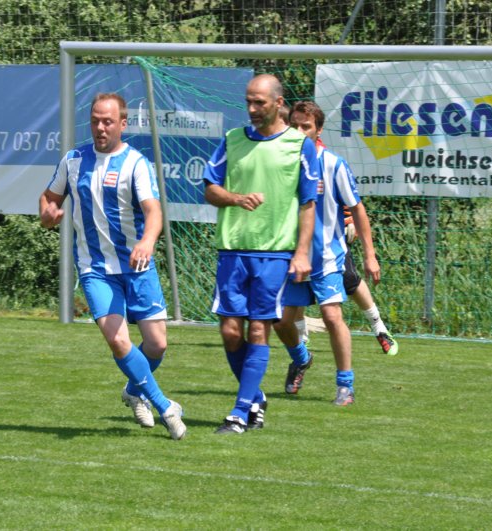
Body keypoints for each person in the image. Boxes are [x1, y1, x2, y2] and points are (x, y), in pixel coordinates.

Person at [38, 92, 186, 440]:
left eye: (107, 122)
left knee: (157, 345)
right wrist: (47, 214)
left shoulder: (136, 163)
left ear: (123, 123)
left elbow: (153, 211)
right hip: (96, 269)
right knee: (118, 341)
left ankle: (134, 391)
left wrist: (147, 241)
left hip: (137, 265)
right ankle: (166, 408)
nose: (100, 128)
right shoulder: (74, 160)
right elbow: (49, 199)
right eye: (95, 121)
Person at [203, 74, 320, 434]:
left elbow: (308, 204)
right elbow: (209, 188)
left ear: (278, 102)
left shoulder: (299, 146)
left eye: (260, 102)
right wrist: (236, 198)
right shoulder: (232, 139)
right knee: (230, 332)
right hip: (232, 251)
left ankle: (240, 413)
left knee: (258, 329)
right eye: (249, 102)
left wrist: (302, 253)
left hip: (274, 254)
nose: (252, 109)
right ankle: (255, 397)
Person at [272, 100, 381, 406]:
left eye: (306, 126)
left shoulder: (333, 163)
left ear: (318, 130)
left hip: (327, 258)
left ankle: (345, 385)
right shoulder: (279, 161)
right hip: (290, 257)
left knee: (332, 317)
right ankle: (301, 359)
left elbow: (357, 208)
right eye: (294, 125)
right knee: (280, 323)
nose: (299, 131)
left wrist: (369, 254)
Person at [292, 205, 399, 356]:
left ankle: (379, 328)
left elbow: (352, 202)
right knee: (298, 281)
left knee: (349, 279)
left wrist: (350, 219)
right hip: (297, 230)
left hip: (330, 236)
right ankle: (301, 337)